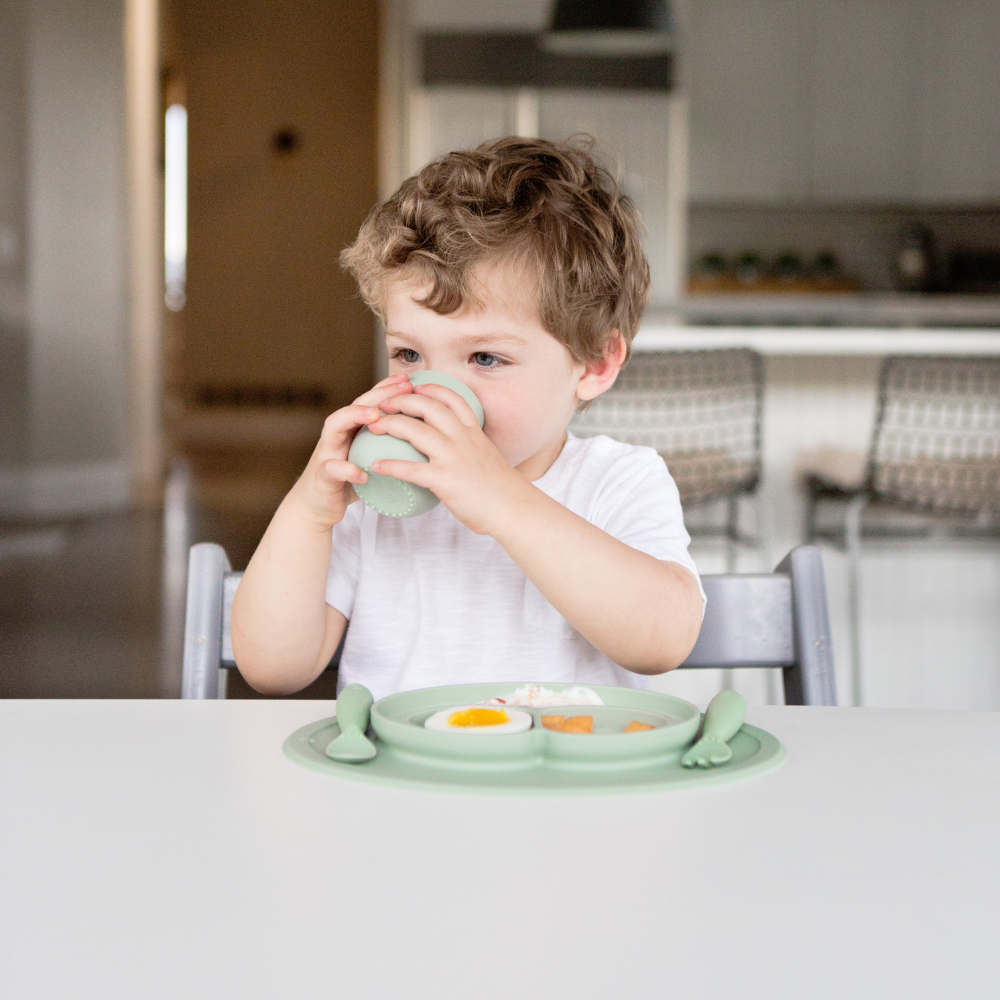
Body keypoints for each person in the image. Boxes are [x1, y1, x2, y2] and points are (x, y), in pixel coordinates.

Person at [232, 136, 704, 700]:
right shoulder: (378, 500)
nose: (438, 391)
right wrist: (310, 511)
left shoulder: (617, 480)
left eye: (485, 358)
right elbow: (271, 668)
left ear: (595, 364)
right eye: (410, 355)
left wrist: (501, 500)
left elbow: (662, 641)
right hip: (402, 783)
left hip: (564, 783)